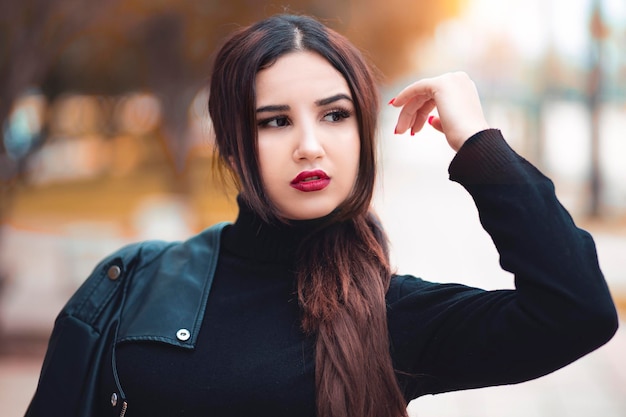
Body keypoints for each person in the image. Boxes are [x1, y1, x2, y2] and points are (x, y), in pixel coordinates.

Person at [26, 13, 618, 417]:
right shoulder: (131, 285)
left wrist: (478, 143)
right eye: (275, 120)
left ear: (364, 133)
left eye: (334, 115)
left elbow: (578, 311)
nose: (309, 145)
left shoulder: (389, 316)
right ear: (233, 142)